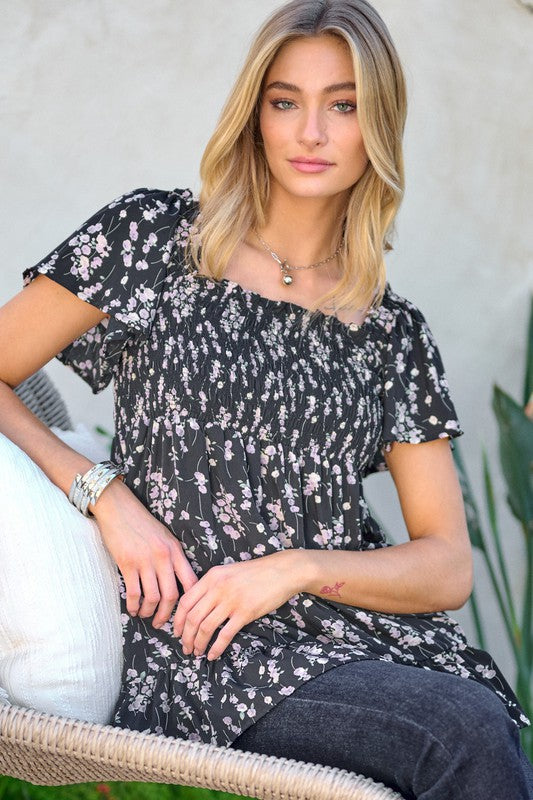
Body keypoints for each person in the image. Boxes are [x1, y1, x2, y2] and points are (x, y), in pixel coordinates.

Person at [1, 0, 532, 797]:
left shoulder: (391, 334)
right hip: (204, 647)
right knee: (459, 733)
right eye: (285, 101)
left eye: (342, 105)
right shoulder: (153, 240)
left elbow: (446, 563)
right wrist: (100, 490)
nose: (310, 132)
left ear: (376, 125)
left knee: (475, 724)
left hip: (355, 637)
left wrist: (293, 568)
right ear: (254, 117)